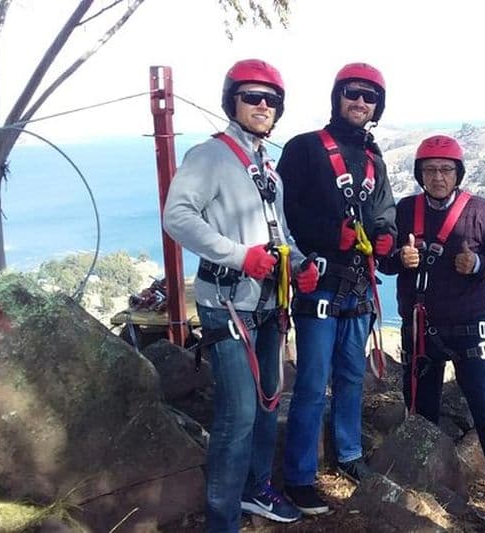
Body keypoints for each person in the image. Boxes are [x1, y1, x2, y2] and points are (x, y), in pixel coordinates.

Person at [163, 59, 319, 532]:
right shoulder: (209, 157)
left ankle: (254, 490)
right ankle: (222, 520)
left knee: (269, 401)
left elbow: (279, 232)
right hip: (227, 304)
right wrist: (239, 256)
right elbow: (177, 217)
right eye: (252, 96)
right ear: (232, 100)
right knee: (238, 415)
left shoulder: (266, 168)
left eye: (271, 100)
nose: (263, 106)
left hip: (268, 303)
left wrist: (301, 264)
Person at [377, 135, 485, 529]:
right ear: (420, 174)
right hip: (421, 329)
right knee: (421, 413)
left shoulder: (479, 212)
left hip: (468, 330)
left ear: (457, 173)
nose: (438, 177)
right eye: (430, 170)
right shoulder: (406, 211)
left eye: (445, 170)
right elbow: (384, 259)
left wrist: (478, 264)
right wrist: (398, 258)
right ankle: (423, 486)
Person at [276, 62, 397, 514]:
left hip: (358, 289)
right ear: (337, 96)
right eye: (353, 93)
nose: (360, 102)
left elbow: (384, 215)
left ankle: (348, 455)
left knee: (350, 377)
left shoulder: (373, 162)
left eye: (369, 97)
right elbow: (285, 214)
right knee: (310, 382)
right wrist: (334, 235)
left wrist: (384, 239)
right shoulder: (304, 149)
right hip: (320, 287)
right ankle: (300, 476)